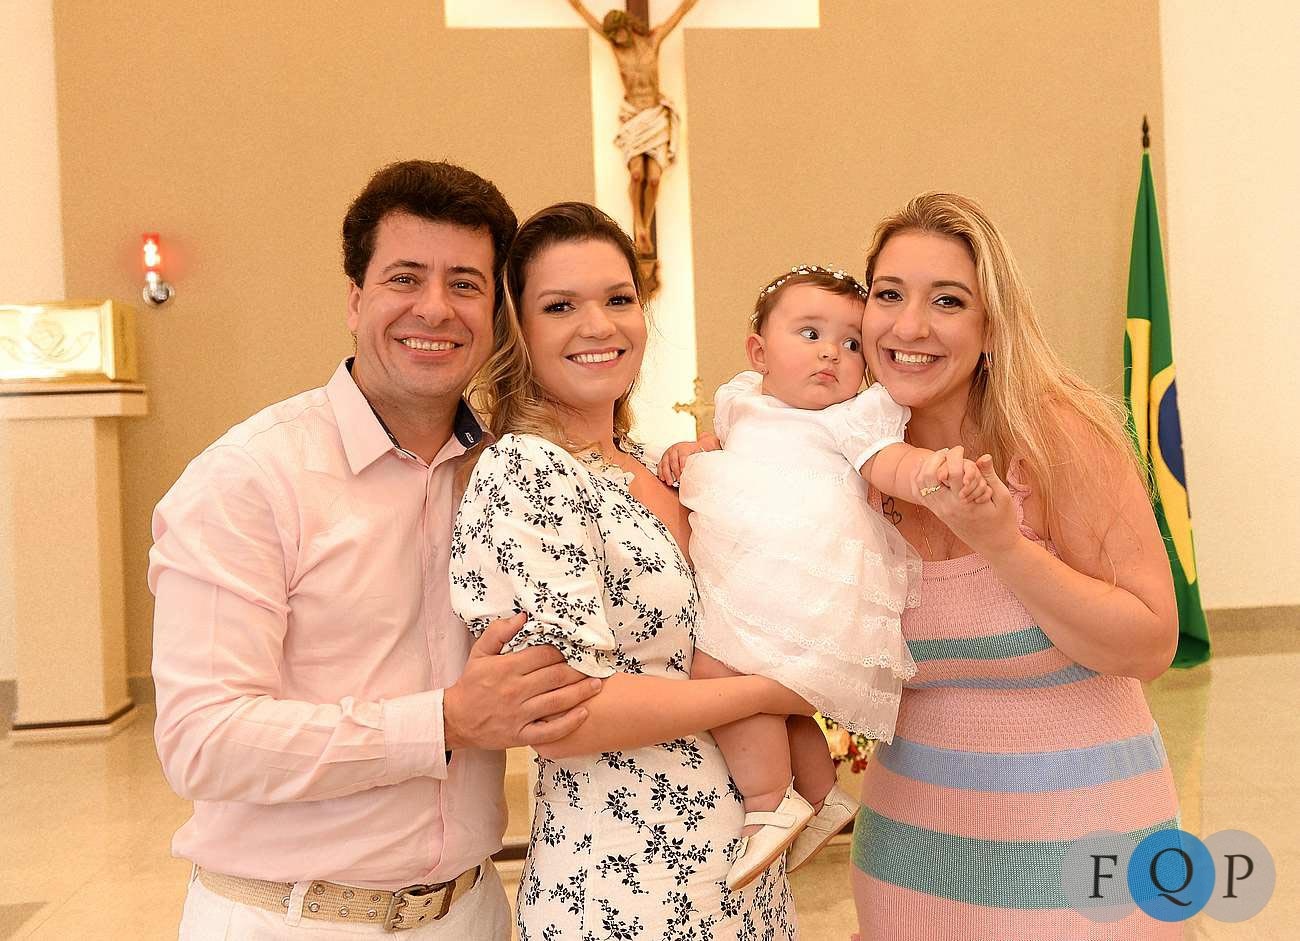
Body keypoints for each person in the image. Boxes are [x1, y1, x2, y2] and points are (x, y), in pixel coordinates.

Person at [149, 160, 602, 940]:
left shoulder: (509, 474)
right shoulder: (251, 477)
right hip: (292, 915)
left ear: (495, 313)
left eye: (465, 284)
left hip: (473, 908)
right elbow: (204, 740)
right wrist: (444, 721)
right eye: (404, 278)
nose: (436, 307)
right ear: (355, 298)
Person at [449, 202, 808, 938]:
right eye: (560, 306)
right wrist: (774, 690)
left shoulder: (654, 465)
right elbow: (565, 716)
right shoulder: (527, 470)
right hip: (624, 889)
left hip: (740, 884)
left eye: (618, 299)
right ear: (518, 329)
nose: (598, 325)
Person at [848, 193, 1181, 939]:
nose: (910, 326)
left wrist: (1004, 544)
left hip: (1088, 856)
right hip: (912, 866)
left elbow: (1151, 642)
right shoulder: (857, 459)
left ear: (991, 327)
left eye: (947, 300)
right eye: (889, 295)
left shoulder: (1057, 436)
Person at [656, 265, 989, 890]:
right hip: (751, 569)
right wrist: (691, 450)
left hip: (809, 576)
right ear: (760, 353)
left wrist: (928, 472)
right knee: (779, 702)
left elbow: (889, 462)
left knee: (724, 672)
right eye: (810, 334)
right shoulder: (742, 400)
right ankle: (819, 792)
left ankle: (767, 803)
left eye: (851, 342)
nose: (831, 353)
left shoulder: (852, 416)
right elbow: (722, 443)